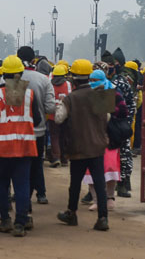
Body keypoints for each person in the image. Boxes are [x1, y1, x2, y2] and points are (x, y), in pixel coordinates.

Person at [0, 55, 42, 237]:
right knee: (22, 184)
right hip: (24, 146)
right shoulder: (29, 94)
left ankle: (5, 220)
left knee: (1, 182)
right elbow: (38, 119)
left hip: (1, 146)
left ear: (4, 74)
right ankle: (20, 223)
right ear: (21, 73)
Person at [55, 59, 110, 231]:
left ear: (73, 79)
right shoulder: (101, 95)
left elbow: (58, 118)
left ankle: (72, 213)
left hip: (78, 147)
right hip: (98, 146)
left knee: (75, 183)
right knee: (100, 184)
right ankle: (103, 218)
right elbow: (108, 118)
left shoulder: (71, 98)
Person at [84, 69, 128, 212]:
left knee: (110, 169)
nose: (92, 83)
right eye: (90, 80)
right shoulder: (86, 94)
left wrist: (108, 110)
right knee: (91, 171)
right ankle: (96, 200)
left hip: (110, 137)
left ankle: (110, 199)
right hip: (91, 137)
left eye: (95, 80)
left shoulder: (114, 93)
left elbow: (123, 111)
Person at [17, 46, 56, 206]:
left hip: (17, 130)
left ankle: (20, 193)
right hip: (38, 130)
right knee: (37, 162)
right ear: (34, 60)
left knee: (19, 165)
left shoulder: (12, 80)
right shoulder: (44, 79)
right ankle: (41, 193)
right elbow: (50, 108)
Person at [101, 50, 135, 198]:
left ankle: (123, 184)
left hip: (119, 123)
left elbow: (131, 104)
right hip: (109, 124)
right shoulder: (105, 83)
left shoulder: (120, 82)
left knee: (124, 154)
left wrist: (125, 122)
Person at [48, 64, 72, 167]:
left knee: (54, 136)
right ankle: (64, 159)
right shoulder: (68, 84)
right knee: (64, 136)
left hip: (52, 115)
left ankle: (56, 157)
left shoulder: (49, 84)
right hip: (65, 114)